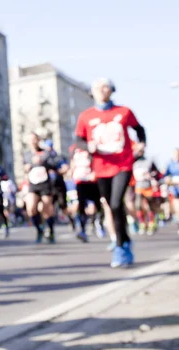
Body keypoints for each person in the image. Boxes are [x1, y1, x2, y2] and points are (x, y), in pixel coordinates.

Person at [75, 78, 146, 268]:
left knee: (115, 204)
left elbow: (139, 130)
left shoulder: (123, 112)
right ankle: (125, 239)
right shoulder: (86, 116)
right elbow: (79, 140)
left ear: (112, 90)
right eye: (97, 87)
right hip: (101, 167)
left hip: (122, 164)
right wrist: (87, 146)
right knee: (111, 205)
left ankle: (121, 248)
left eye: (105, 86)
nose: (101, 89)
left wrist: (141, 144)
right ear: (93, 91)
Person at [23, 132, 61, 243]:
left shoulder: (46, 153)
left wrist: (44, 162)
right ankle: (39, 229)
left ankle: (51, 231)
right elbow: (25, 168)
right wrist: (27, 168)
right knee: (31, 208)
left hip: (45, 184)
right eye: (30, 139)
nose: (32, 141)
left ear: (38, 140)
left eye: (34, 139)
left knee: (46, 210)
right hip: (33, 184)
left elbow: (54, 164)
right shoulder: (27, 154)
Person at [69, 144, 103, 242]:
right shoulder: (74, 148)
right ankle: (82, 230)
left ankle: (98, 222)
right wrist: (71, 173)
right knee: (81, 206)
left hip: (92, 180)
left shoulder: (91, 145)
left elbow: (97, 160)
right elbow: (72, 162)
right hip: (80, 181)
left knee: (97, 204)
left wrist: (96, 173)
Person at [132, 151, 163, 236]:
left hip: (148, 187)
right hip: (138, 187)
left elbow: (156, 172)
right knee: (138, 206)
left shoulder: (149, 161)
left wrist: (151, 176)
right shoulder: (134, 163)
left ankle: (151, 223)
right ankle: (142, 223)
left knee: (149, 206)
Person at [164, 148, 179, 234]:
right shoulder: (170, 164)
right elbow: (166, 175)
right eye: (175, 154)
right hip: (175, 189)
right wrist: (167, 180)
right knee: (177, 208)